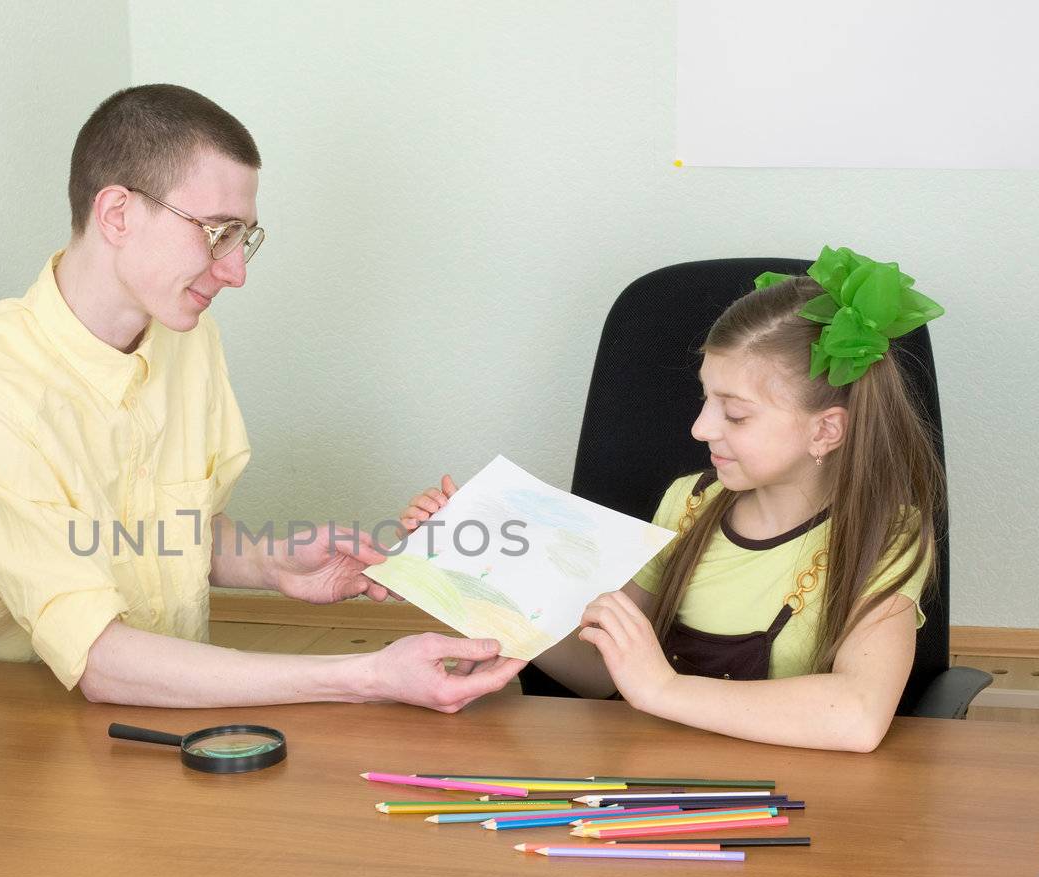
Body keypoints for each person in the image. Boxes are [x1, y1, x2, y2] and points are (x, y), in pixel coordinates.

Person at [0, 84, 523, 712]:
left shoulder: (185, 336)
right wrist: (365, 676)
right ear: (117, 214)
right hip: (1, 742)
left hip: (162, 721)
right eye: (217, 233)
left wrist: (270, 563)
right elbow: (101, 661)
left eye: (244, 238)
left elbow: (168, 533)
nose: (235, 271)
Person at [399, 246, 943, 750]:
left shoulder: (885, 535)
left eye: (735, 413)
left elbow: (859, 716)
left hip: (783, 803)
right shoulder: (688, 503)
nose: (700, 428)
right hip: (651, 780)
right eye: (705, 399)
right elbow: (598, 673)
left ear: (826, 431)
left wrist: (661, 689)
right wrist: (466, 573)